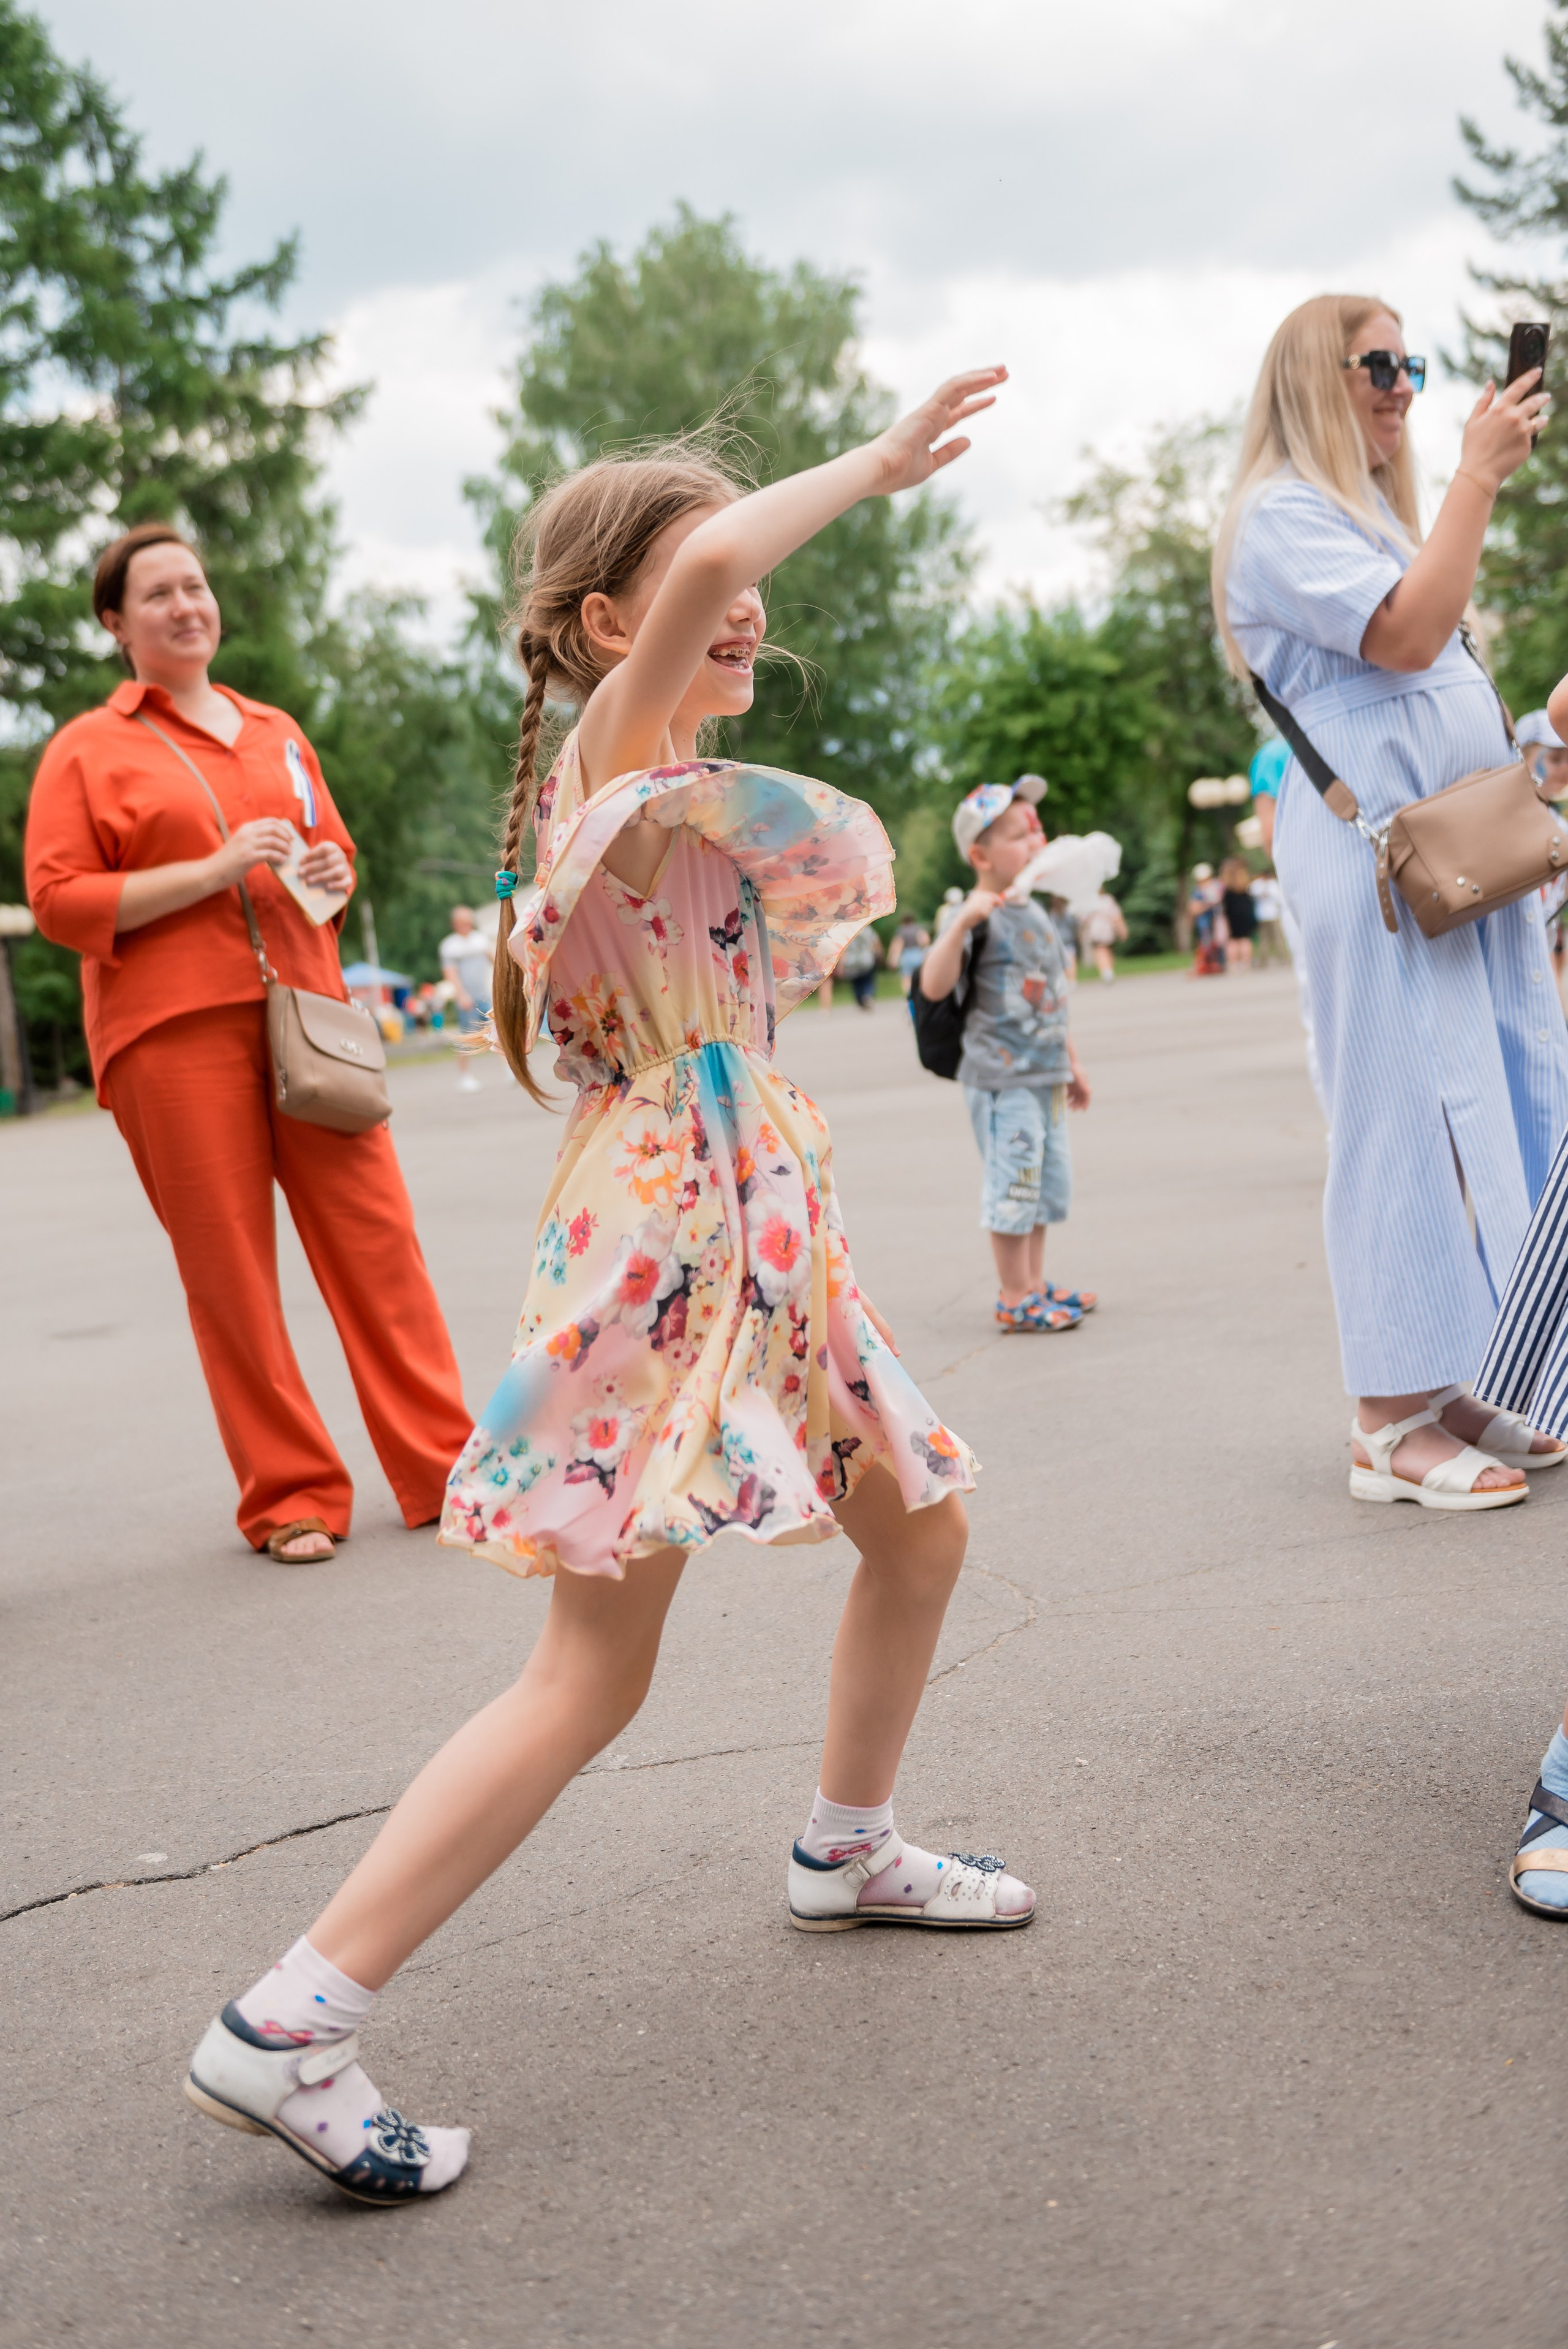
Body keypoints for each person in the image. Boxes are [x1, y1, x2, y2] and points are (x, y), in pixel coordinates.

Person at [184, 371, 1039, 2206]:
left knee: (920, 1527)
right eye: (686, 587)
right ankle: (292, 2020)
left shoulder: (660, 785)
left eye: (736, 590)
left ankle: (847, 1844)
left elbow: (719, 563)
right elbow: (727, 541)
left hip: (741, 1217)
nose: (742, 602)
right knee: (589, 1674)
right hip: (674, 1242)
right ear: (606, 628)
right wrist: (881, 463)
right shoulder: (618, 764)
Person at [24, 523, 472, 1564]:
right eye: (157, 594)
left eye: (195, 585)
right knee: (229, 1271)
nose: (185, 604)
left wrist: (328, 878)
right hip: (170, 1032)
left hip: (308, 1016)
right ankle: (293, 1495)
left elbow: (336, 851)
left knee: (379, 1243)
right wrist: (214, 867)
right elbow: (57, 897)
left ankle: (445, 1465)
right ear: (115, 625)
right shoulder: (89, 749)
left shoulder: (275, 729)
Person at [1214, 291, 1566, 1509]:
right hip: (1377, 867)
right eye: (1375, 363)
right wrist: (1474, 480)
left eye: (1409, 363)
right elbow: (1408, 640)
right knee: (1396, 1115)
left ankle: (1451, 1375)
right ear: (1313, 376)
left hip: (1453, 856)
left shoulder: (1361, 511)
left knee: (1500, 1090)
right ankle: (1382, 1417)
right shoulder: (1276, 518)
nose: (1401, 383)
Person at [918, 777, 1096, 1335]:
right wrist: (961, 925)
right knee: (1014, 1184)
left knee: (1043, 1185)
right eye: (1021, 834)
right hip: (1004, 1081)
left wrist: (1073, 1064)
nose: (1038, 839)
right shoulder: (979, 914)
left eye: (1038, 828)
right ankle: (1014, 1295)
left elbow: (1052, 1000)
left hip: (1043, 1078)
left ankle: (1035, 1284)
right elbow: (933, 984)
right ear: (981, 855)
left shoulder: (1037, 913)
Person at [438, 904, 494, 1092]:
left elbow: (494, 960)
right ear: (455, 924)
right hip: (467, 998)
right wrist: (462, 995)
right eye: (462, 922)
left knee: (499, 1031)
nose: (466, 925)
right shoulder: (450, 945)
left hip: (486, 994)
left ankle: (510, 1070)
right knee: (466, 1037)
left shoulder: (480, 940)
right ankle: (465, 1076)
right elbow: (450, 973)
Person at [892, 910, 931, 1019]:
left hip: (907, 956)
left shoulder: (901, 931)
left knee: (907, 981)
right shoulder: (918, 928)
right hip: (918, 955)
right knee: (921, 979)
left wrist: (894, 959)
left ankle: (909, 1002)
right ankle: (922, 999)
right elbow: (925, 941)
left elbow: (898, 945)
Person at [835, 920, 883, 1010]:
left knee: (856, 982)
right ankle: (868, 995)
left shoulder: (849, 933)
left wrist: (840, 966)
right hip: (867, 959)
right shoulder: (868, 930)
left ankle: (860, 998)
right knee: (868, 979)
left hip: (852, 961)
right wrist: (879, 955)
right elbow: (876, 943)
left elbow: (844, 950)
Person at [1219, 857, 1257, 969]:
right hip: (1244, 914)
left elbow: (1224, 903)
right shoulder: (1244, 883)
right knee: (1245, 938)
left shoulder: (1226, 885)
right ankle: (1247, 963)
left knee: (1233, 940)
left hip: (1232, 915)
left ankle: (1234, 964)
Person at [1082, 889, 1126, 983]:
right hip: (1107, 929)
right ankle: (1108, 971)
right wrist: (1121, 928)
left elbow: (1084, 919)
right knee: (1104, 949)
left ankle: (1107, 971)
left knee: (1101, 950)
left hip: (1097, 930)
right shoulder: (1107, 900)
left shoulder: (1088, 902)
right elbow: (1116, 916)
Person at [1248, 868, 1286, 966]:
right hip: (1264, 915)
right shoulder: (1258, 884)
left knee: (1277, 938)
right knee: (1266, 939)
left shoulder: (1272, 884)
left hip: (1271, 914)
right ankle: (1264, 961)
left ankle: (1282, 958)